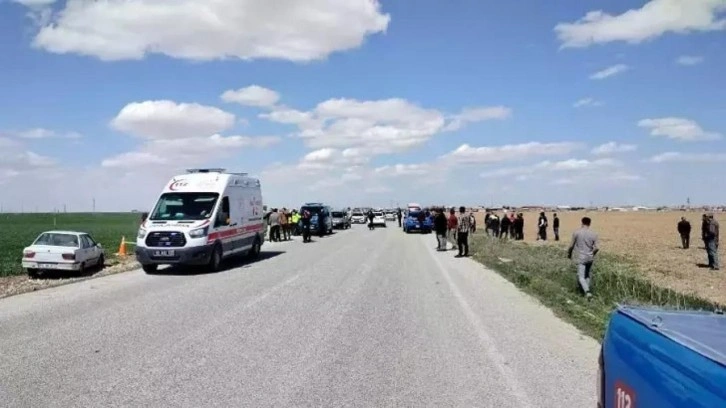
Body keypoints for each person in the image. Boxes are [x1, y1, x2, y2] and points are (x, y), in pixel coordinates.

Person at [567, 217, 599, 301]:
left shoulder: (577, 233)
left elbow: (571, 246)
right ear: (589, 223)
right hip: (590, 258)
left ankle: (588, 293)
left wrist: (569, 254)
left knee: (581, 277)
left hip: (581, 257)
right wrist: (592, 254)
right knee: (587, 275)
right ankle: (586, 293)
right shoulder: (594, 234)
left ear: (582, 223)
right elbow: (597, 248)